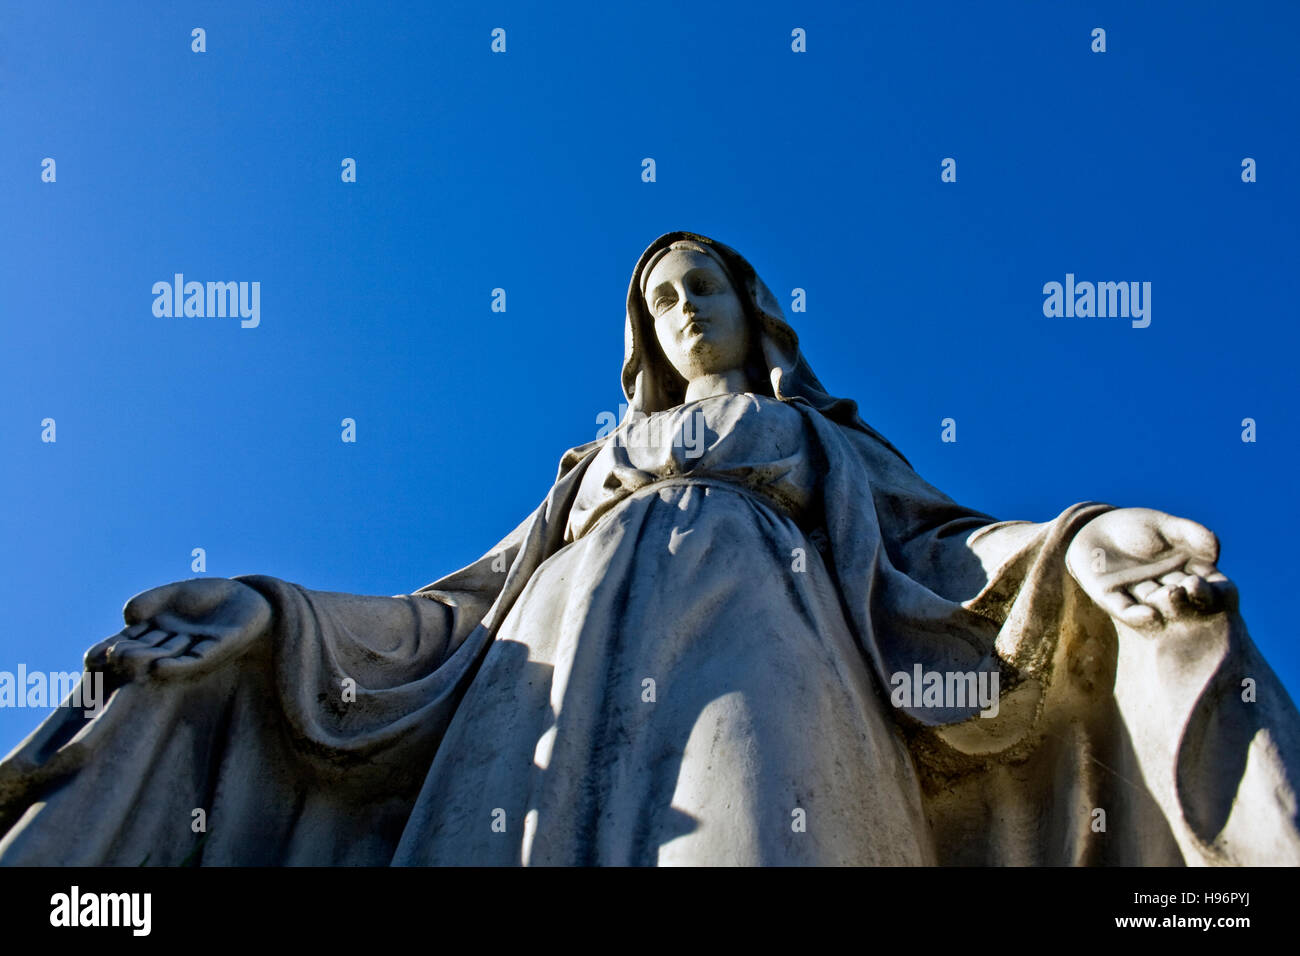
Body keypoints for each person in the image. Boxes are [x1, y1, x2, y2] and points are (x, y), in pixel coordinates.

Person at [1, 231, 1297, 866]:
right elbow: (452, 617)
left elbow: (949, 557)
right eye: (660, 299)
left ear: (752, 308)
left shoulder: (820, 445)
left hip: (762, 640)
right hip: (546, 675)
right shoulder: (589, 475)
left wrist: (1091, 552)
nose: (682, 312)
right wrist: (277, 620)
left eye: (703, 288)